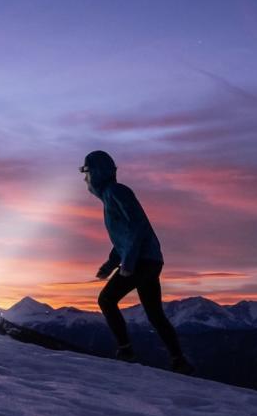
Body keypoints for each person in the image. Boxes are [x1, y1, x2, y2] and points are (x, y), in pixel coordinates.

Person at [80, 150, 195, 375]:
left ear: (96, 172)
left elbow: (137, 226)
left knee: (106, 299)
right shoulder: (111, 195)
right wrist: (110, 264)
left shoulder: (116, 192)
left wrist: (128, 264)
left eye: (87, 172)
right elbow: (124, 237)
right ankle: (179, 360)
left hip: (142, 261)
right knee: (154, 313)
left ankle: (126, 351)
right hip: (150, 260)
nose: (85, 178)